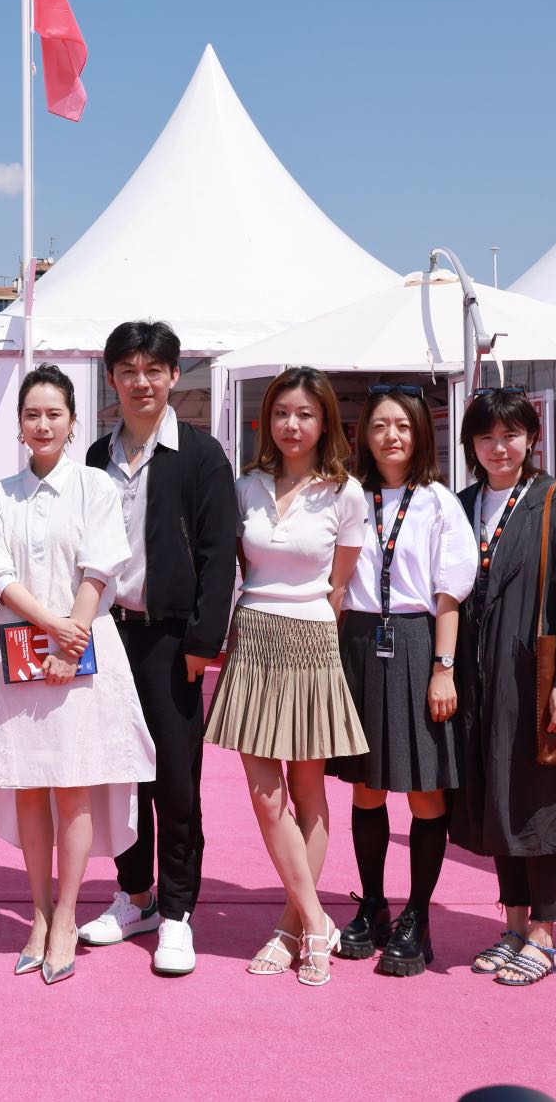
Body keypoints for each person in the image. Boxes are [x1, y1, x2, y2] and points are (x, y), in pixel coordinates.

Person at [0, 365, 157, 985]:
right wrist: (53, 625)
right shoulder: (2, 494)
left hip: (83, 653)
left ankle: (69, 916)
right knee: (28, 785)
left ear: (73, 422)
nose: (43, 424)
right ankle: (39, 913)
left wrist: (71, 638)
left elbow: (100, 566)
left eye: (54, 414)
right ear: (19, 425)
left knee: (74, 785)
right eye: (32, 414)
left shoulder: (95, 487)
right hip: (21, 653)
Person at [78, 320, 237, 976]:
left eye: (153, 370)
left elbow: (219, 553)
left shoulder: (200, 455)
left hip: (172, 640)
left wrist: (203, 642)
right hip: (107, 634)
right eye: (127, 371)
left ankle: (176, 911)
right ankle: (134, 895)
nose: (140, 382)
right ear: (111, 380)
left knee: (174, 778)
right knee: (118, 775)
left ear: (174, 376)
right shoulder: (95, 456)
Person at [204, 367, 370, 987]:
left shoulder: (345, 493)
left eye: (304, 414)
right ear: (265, 419)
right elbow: (237, 568)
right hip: (252, 638)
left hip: (311, 640)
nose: (291, 424)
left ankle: (289, 927)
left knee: (307, 791)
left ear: (324, 422)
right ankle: (318, 920)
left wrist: (313, 642)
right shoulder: (245, 487)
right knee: (262, 793)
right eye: (281, 413)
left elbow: (339, 587)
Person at [448, 387, 556, 988]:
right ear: (471, 444)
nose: (498, 447)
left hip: (532, 676)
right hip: (475, 677)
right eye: (486, 436)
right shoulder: (460, 505)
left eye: (510, 435)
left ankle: (544, 932)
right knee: (497, 797)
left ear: (531, 438)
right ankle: (512, 924)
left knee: (542, 797)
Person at [329, 384, 478, 977]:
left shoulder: (439, 502)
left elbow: (450, 594)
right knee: (366, 787)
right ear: (363, 435)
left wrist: (443, 669)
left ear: (420, 434)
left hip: (417, 644)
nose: (391, 436)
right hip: (358, 642)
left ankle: (418, 915)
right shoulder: (347, 494)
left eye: (403, 426)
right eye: (379, 425)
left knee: (423, 790)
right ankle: (373, 905)